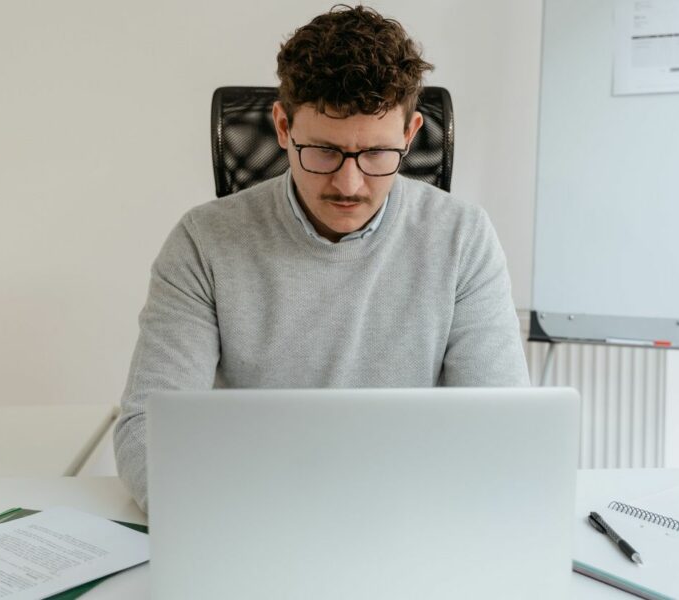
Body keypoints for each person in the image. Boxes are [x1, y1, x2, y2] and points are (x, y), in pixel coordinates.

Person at [114, 4, 529, 511]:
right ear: (283, 127)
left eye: (376, 154)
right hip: (254, 511)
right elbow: (145, 430)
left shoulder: (463, 238)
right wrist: (233, 519)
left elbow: (501, 431)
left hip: (408, 517)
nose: (349, 185)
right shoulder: (205, 242)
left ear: (410, 133)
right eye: (325, 151)